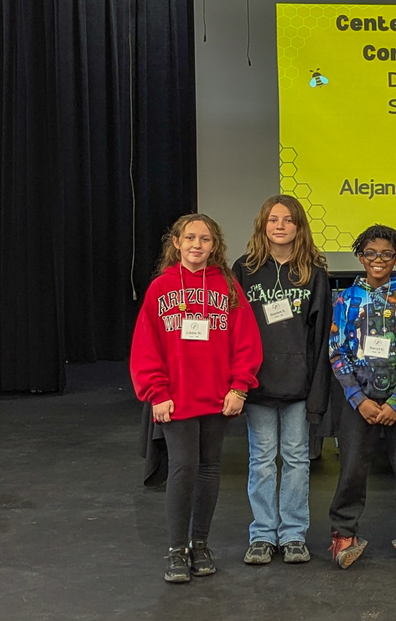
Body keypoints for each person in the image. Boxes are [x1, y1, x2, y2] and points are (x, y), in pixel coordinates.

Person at [130, 213, 262, 583]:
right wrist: (156, 392)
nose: (197, 245)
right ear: (176, 243)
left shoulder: (228, 287)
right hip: (176, 398)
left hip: (218, 398)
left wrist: (239, 387)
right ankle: (176, 550)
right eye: (190, 238)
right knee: (184, 468)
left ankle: (200, 543)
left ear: (214, 246)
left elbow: (247, 342)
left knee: (209, 470)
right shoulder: (160, 288)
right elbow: (145, 347)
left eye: (205, 239)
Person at [327, 224, 396, 568]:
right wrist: (358, 398)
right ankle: (344, 534)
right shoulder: (344, 300)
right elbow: (335, 350)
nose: (378, 260)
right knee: (352, 469)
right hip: (358, 402)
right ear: (361, 257)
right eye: (371, 254)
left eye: (387, 254)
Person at [233, 195, 333, 567]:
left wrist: (317, 388)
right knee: (261, 459)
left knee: (295, 458)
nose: (280, 226)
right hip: (256, 383)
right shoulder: (244, 269)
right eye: (273, 219)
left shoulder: (313, 273)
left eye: (288, 220)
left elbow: (321, 336)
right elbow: (235, 330)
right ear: (262, 225)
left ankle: (292, 534)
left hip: (298, 384)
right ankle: (261, 534)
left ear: (299, 227)